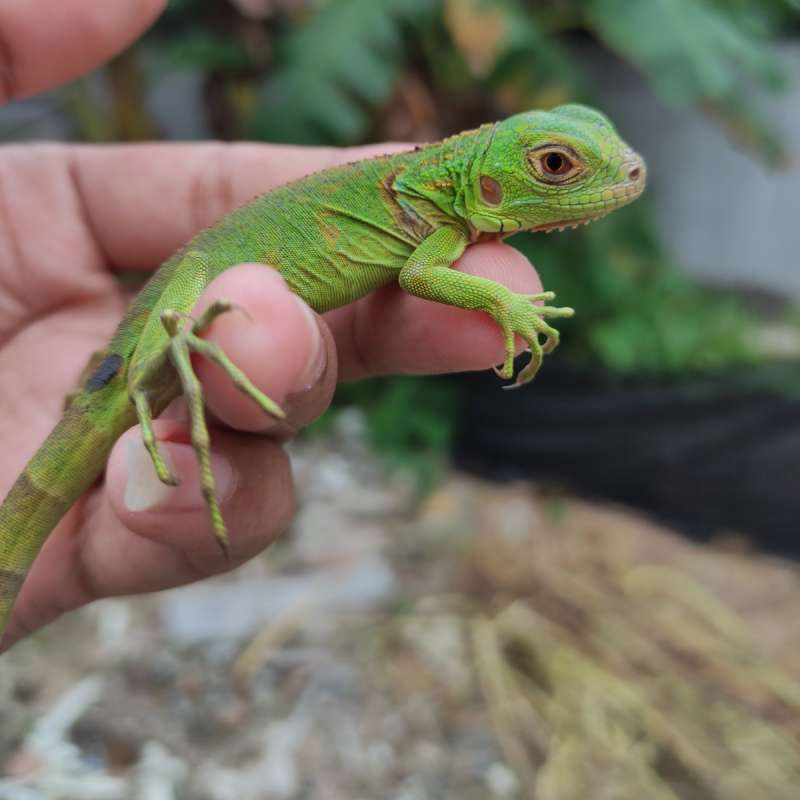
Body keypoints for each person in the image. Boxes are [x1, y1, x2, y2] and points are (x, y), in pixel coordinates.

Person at [0, 1, 544, 650]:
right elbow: (420, 279)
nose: (620, 176)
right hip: (180, 299)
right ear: (488, 184)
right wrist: (505, 306)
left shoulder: (435, 209)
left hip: (183, 301)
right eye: (557, 168)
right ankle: (164, 357)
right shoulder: (433, 216)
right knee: (191, 351)